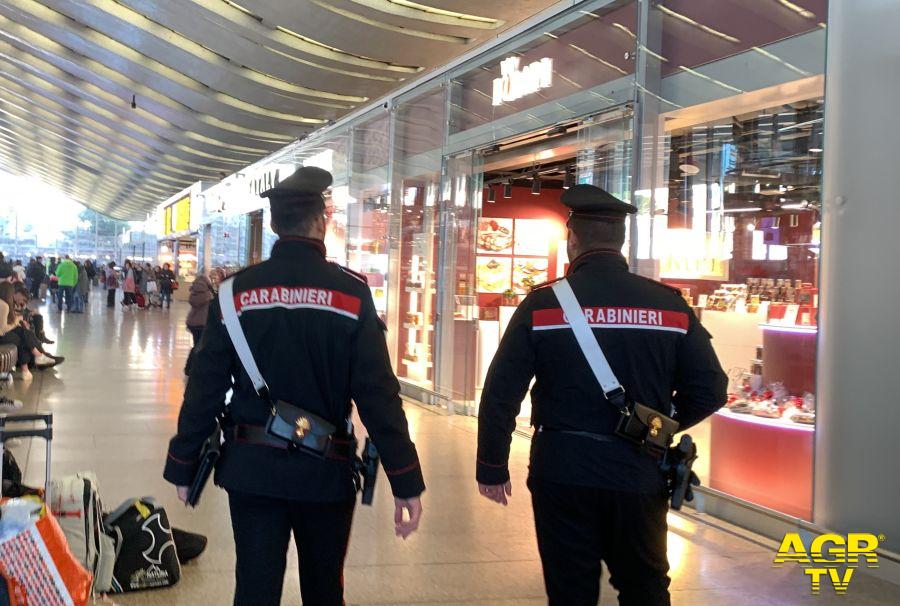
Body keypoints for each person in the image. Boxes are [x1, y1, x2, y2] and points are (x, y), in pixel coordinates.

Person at [163, 167, 425, 606]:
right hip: (325, 472)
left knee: (255, 588)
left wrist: (184, 463)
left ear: (274, 225)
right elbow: (378, 395)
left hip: (251, 469)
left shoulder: (233, 294)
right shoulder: (351, 294)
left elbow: (204, 386)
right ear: (321, 221)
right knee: (325, 591)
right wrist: (405, 478)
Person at [475, 184, 728, 606]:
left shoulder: (543, 304)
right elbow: (711, 389)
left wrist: (492, 465)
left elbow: (502, 391)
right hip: (639, 469)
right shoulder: (668, 305)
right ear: (622, 241)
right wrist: (655, 426)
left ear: (572, 239)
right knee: (644, 586)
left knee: (570, 588)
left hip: (563, 468)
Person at [0, 282, 57, 381]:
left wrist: (15, 322)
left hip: (3, 334)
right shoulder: (4, 305)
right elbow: (2, 330)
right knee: (22, 336)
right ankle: (36, 359)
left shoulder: (4, 304)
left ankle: (33, 362)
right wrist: (16, 321)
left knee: (23, 332)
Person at [184, 272, 214, 376]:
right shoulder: (205, 294)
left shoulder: (194, 292)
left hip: (193, 322)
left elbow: (193, 302)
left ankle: (190, 367)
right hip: (201, 323)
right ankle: (190, 368)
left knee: (198, 345)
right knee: (199, 346)